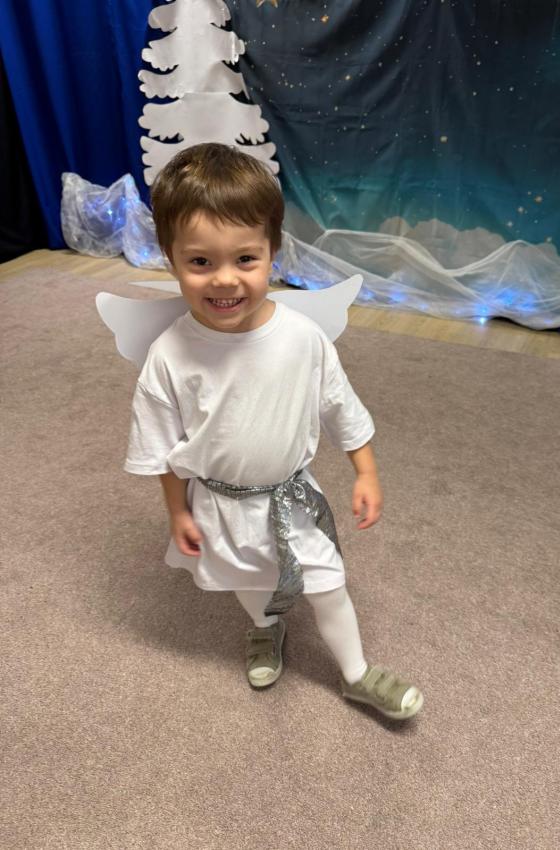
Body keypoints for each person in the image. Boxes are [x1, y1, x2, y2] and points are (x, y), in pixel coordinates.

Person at [125, 142, 423, 720]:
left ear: (273, 251)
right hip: (220, 507)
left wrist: (365, 471)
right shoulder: (168, 356)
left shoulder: (302, 338)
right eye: (200, 262)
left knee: (328, 583)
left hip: (291, 501)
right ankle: (265, 628)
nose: (225, 280)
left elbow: (340, 405)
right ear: (169, 257)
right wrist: (177, 511)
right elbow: (160, 447)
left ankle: (357, 674)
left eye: (245, 259)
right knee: (248, 583)